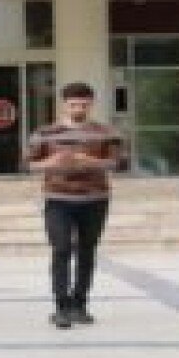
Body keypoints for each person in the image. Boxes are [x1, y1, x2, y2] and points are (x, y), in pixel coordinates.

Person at [24, 82, 124, 329]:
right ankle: (61, 306)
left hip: (94, 199)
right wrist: (53, 162)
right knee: (61, 249)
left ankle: (80, 304)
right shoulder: (45, 133)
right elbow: (27, 164)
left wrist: (89, 161)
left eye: (83, 105)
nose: (78, 109)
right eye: (73, 105)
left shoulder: (106, 132)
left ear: (91, 104)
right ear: (64, 105)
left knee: (87, 250)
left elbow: (119, 163)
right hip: (58, 199)